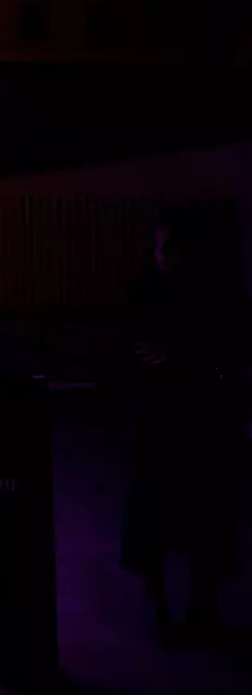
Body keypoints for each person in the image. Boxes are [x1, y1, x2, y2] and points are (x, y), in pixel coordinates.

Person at [122, 209, 246, 644]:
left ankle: (199, 604)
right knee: (158, 512)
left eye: (172, 246)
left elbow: (226, 348)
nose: (165, 255)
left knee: (204, 513)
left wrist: (182, 355)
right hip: (162, 420)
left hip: (197, 420)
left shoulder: (212, 296)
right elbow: (137, 350)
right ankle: (162, 600)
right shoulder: (148, 295)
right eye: (160, 246)